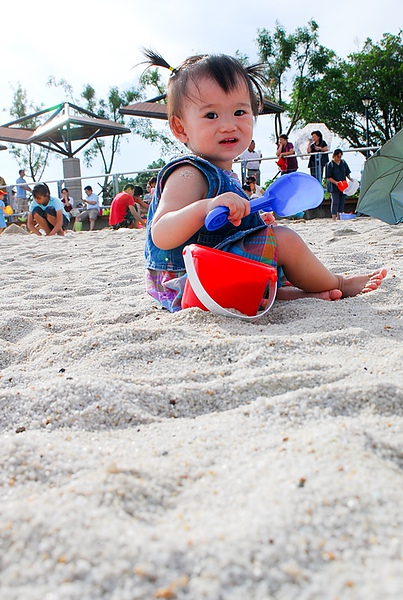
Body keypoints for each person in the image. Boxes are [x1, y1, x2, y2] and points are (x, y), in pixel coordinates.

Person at [141, 49, 386, 313]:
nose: (228, 125)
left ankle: (283, 294)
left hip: (216, 275)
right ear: (180, 128)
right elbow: (162, 233)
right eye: (211, 115)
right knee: (285, 241)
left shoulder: (226, 176)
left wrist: (253, 218)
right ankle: (337, 282)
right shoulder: (189, 173)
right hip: (189, 281)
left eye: (239, 112)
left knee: (267, 238)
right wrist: (206, 207)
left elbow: (225, 230)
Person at [326, 149, 354, 220]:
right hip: (334, 186)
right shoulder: (330, 165)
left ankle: (340, 216)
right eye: (338, 156)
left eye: (340, 157)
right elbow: (328, 177)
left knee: (342, 200)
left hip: (343, 185)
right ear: (334, 156)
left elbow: (347, 173)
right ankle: (333, 216)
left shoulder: (343, 163)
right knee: (335, 201)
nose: (339, 158)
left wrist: (350, 179)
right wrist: (336, 182)